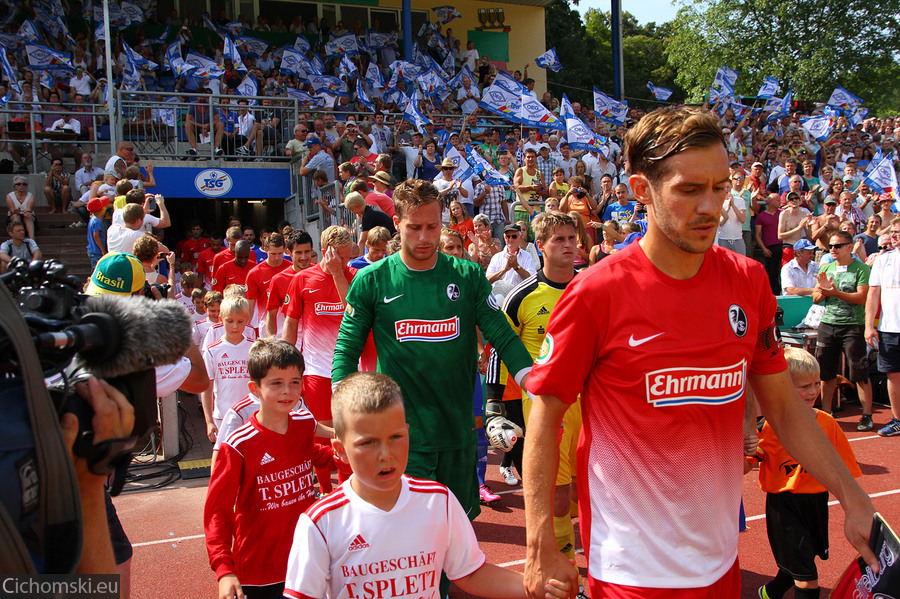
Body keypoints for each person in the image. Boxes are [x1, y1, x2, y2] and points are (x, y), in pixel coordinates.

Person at [522, 106, 878, 599]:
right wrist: (540, 537)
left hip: (720, 561)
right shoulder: (595, 293)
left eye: (720, 187)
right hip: (633, 570)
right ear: (642, 189)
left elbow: (784, 408)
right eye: (689, 190)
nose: (710, 206)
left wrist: (853, 496)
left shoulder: (749, 280)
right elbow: (546, 413)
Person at [331, 179, 533, 529]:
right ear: (397, 223)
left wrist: (533, 380)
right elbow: (346, 351)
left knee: (457, 532)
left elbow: (500, 331)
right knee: (410, 535)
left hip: (458, 433)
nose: (424, 238)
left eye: (432, 227)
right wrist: (345, 414)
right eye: (414, 227)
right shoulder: (372, 281)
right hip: (402, 436)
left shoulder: (466, 275)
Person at [283, 371, 571, 599]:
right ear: (340, 449)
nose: (385, 454)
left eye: (395, 437)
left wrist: (536, 589)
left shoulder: (438, 501)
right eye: (367, 443)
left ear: (408, 433)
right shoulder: (321, 522)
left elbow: (470, 573)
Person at [204, 339, 337, 599]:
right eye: (276, 383)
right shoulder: (238, 444)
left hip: (305, 560)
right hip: (258, 571)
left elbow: (313, 456)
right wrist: (223, 568)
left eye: (295, 382)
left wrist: (347, 454)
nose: (287, 391)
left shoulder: (302, 424)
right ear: (255, 388)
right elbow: (217, 510)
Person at [750, 347, 861, 599]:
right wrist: (746, 448)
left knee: (800, 562)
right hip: (784, 506)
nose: (813, 391)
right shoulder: (768, 427)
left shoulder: (828, 423)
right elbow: (746, 465)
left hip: (816, 503)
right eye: (804, 387)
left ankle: (768, 593)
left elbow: (845, 470)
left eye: (815, 384)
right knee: (807, 578)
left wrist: (853, 507)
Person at [282, 226, 356, 494]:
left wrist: (339, 273)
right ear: (326, 252)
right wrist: (285, 364)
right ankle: (325, 491)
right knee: (321, 435)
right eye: (342, 257)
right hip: (316, 371)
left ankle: (347, 492)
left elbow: (354, 311)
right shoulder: (302, 280)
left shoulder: (354, 276)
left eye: (349, 257)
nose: (347, 263)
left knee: (347, 433)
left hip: (349, 372)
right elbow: (291, 323)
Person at [813, 230, 873, 428]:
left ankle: (866, 415)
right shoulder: (827, 267)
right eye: (831, 246)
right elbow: (816, 299)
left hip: (853, 326)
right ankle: (826, 414)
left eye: (837, 246)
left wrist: (836, 292)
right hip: (828, 325)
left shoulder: (861, 269)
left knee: (859, 372)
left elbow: (863, 297)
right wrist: (823, 289)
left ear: (849, 246)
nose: (833, 249)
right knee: (826, 373)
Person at [201, 294, 254, 443]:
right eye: (230, 321)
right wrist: (209, 421)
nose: (235, 326)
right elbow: (207, 387)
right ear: (220, 319)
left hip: (251, 414)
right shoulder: (212, 351)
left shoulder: (254, 348)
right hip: (223, 416)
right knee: (225, 460)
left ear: (247, 320)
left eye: (240, 321)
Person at [866, 218, 900, 436]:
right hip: (889, 329)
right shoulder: (882, 260)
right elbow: (872, 294)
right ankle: (898, 420)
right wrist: (869, 325)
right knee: (893, 376)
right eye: (893, 231)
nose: (895, 235)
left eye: (899, 231)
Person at [265, 229, 314, 338]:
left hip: (315, 343)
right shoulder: (278, 280)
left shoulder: (320, 275)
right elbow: (271, 315)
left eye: (307, 251)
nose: (304, 257)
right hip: (290, 341)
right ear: (289, 252)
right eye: (298, 252)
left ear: (312, 250)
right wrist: (272, 342)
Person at [244, 233, 291, 331]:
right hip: (267, 324)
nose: (277, 258)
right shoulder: (255, 273)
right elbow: (250, 306)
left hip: (291, 323)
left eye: (280, 253)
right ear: (265, 250)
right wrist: (245, 329)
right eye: (273, 254)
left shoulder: (291, 268)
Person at [6, 175, 36, 239]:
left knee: (27, 216)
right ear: (14, 186)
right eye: (18, 184)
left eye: (24, 184)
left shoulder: (31, 195)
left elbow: (29, 209)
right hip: (14, 216)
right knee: (16, 217)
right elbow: (11, 210)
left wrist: (26, 212)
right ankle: (17, 237)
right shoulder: (9, 196)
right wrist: (15, 211)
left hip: (28, 216)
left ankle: (32, 239)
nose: (21, 185)